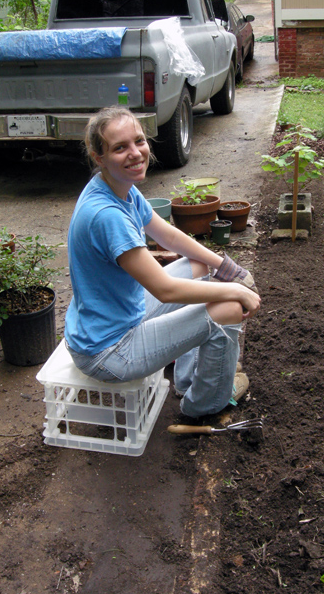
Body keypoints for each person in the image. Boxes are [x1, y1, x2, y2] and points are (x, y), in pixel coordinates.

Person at [64, 106, 261, 419]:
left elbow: (167, 235)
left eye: (138, 141)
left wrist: (225, 268)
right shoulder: (108, 216)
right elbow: (166, 290)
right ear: (98, 156)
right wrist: (236, 291)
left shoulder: (117, 188)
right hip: (109, 351)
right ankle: (204, 403)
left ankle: (186, 378)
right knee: (227, 309)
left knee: (200, 266)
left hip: (112, 319)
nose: (135, 153)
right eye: (120, 148)